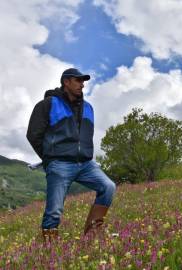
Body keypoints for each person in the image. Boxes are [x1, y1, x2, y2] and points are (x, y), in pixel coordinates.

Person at [26, 68, 116, 241]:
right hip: (59, 164)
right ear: (66, 82)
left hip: (86, 164)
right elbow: (33, 134)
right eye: (78, 80)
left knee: (108, 187)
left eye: (83, 81)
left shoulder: (89, 107)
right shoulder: (48, 104)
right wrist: (49, 158)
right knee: (54, 210)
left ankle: (92, 236)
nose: (82, 84)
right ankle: (48, 249)